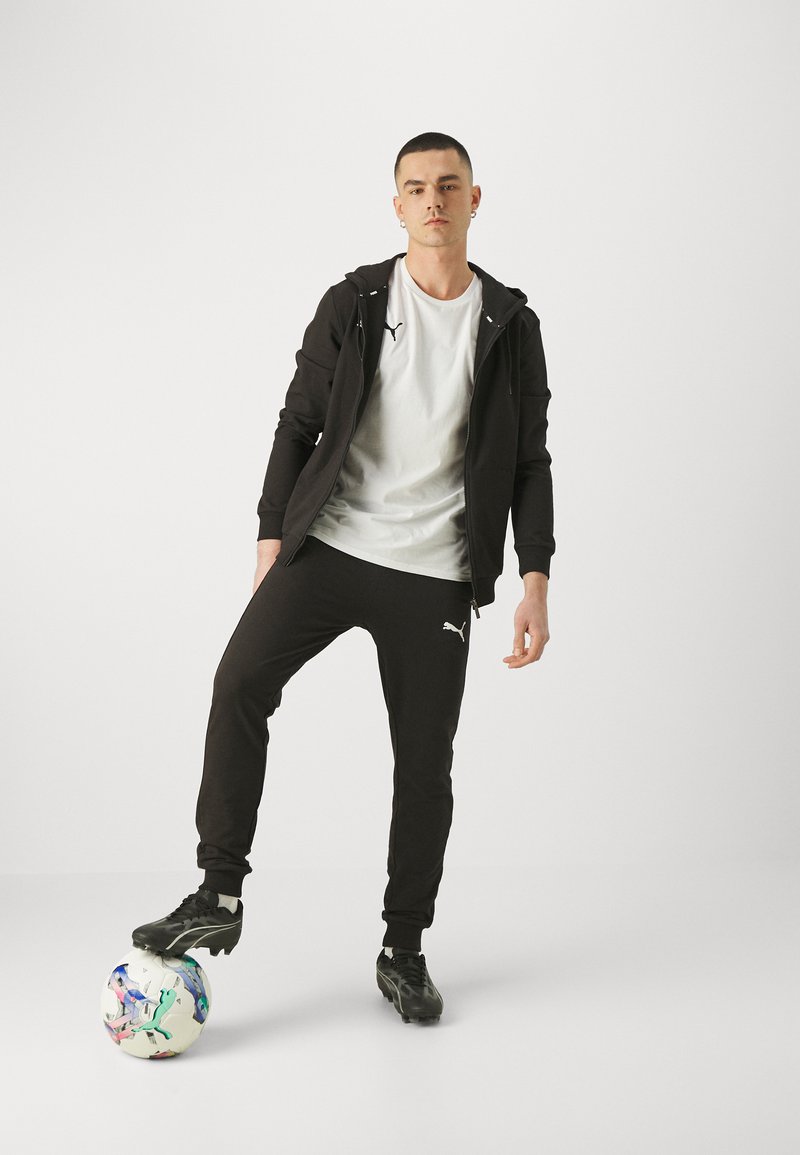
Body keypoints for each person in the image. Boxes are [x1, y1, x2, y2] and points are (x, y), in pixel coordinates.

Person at [131, 131, 555, 1025]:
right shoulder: (357, 301)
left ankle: (403, 948)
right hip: (330, 543)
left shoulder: (511, 324)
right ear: (396, 205)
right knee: (239, 682)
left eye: (449, 185)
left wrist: (534, 579)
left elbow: (529, 462)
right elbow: (298, 421)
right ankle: (218, 892)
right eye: (417, 188)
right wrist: (270, 537)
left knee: (424, 766)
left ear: (475, 200)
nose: (433, 200)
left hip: (435, 571)